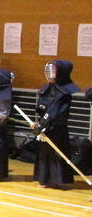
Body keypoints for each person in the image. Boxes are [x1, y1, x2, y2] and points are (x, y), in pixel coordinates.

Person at [33, 60, 81, 189]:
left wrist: (42, 124)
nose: (50, 74)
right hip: (45, 127)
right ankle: (43, 178)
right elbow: (42, 107)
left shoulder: (64, 93)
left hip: (57, 128)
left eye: (54, 71)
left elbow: (54, 111)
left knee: (56, 153)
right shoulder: (47, 89)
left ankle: (56, 179)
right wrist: (39, 123)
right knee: (44, 153)